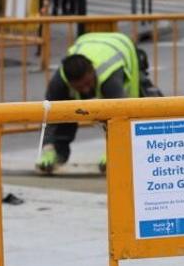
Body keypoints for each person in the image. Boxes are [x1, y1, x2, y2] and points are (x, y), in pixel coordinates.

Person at [37, 31, 160, 173]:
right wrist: (48, 148)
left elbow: (120, 116)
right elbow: (50, 116)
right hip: (89, 41)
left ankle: (141, 152)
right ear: (70, 82)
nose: (85, 90)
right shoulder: (59, 81)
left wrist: (112, 152)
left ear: (92, 70)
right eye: (79, 87)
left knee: (137, 107)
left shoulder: (110, 76)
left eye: (88, 83)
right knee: (64, 109)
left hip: (121, 45)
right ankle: (58, 154)